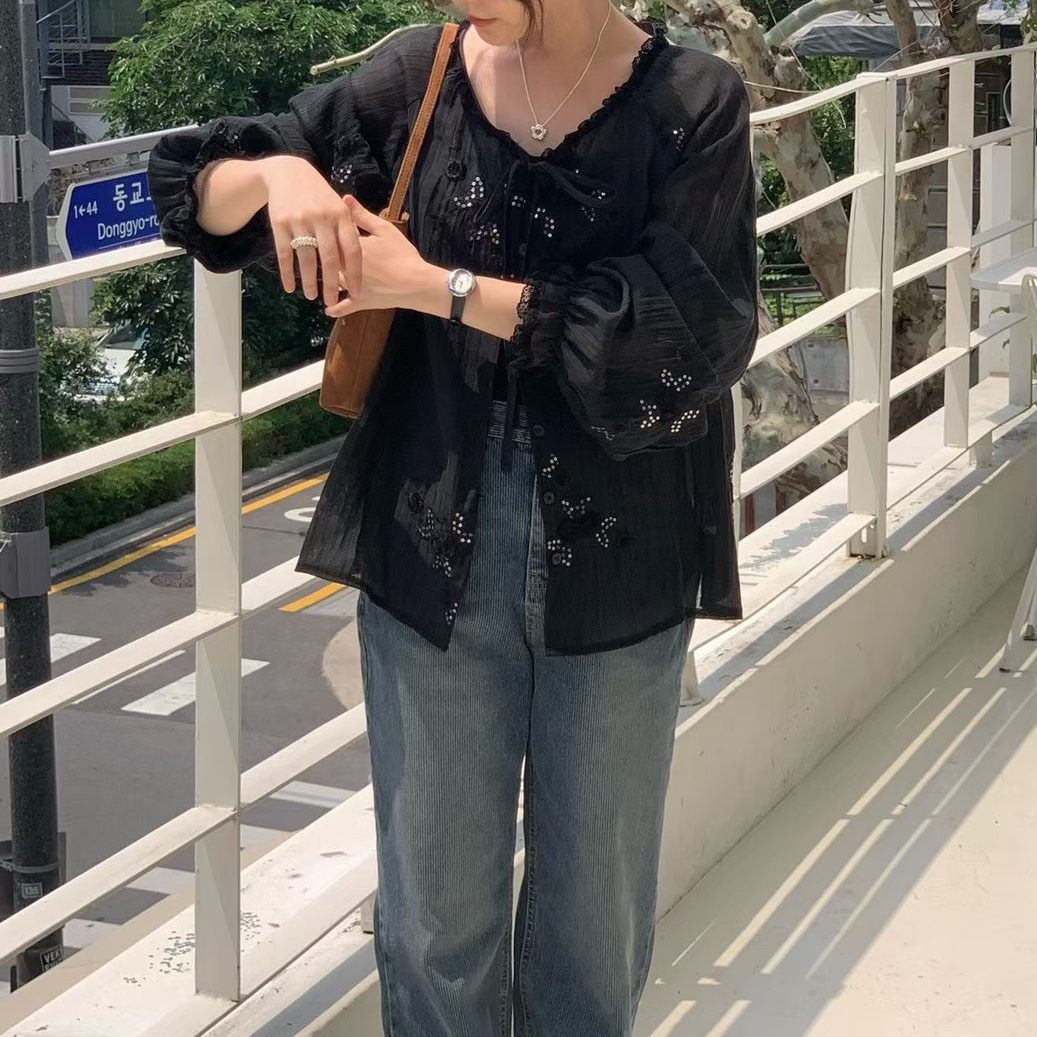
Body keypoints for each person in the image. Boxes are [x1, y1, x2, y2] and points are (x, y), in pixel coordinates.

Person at [147, 1, 757, 1032]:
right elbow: (190, 187)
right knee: (433, 919)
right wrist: (279, 173)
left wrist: (439, 287)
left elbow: (689, 340)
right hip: (432, 526)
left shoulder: (691, 102)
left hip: (623, 543)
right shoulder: (414, 79)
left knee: (592, 924)